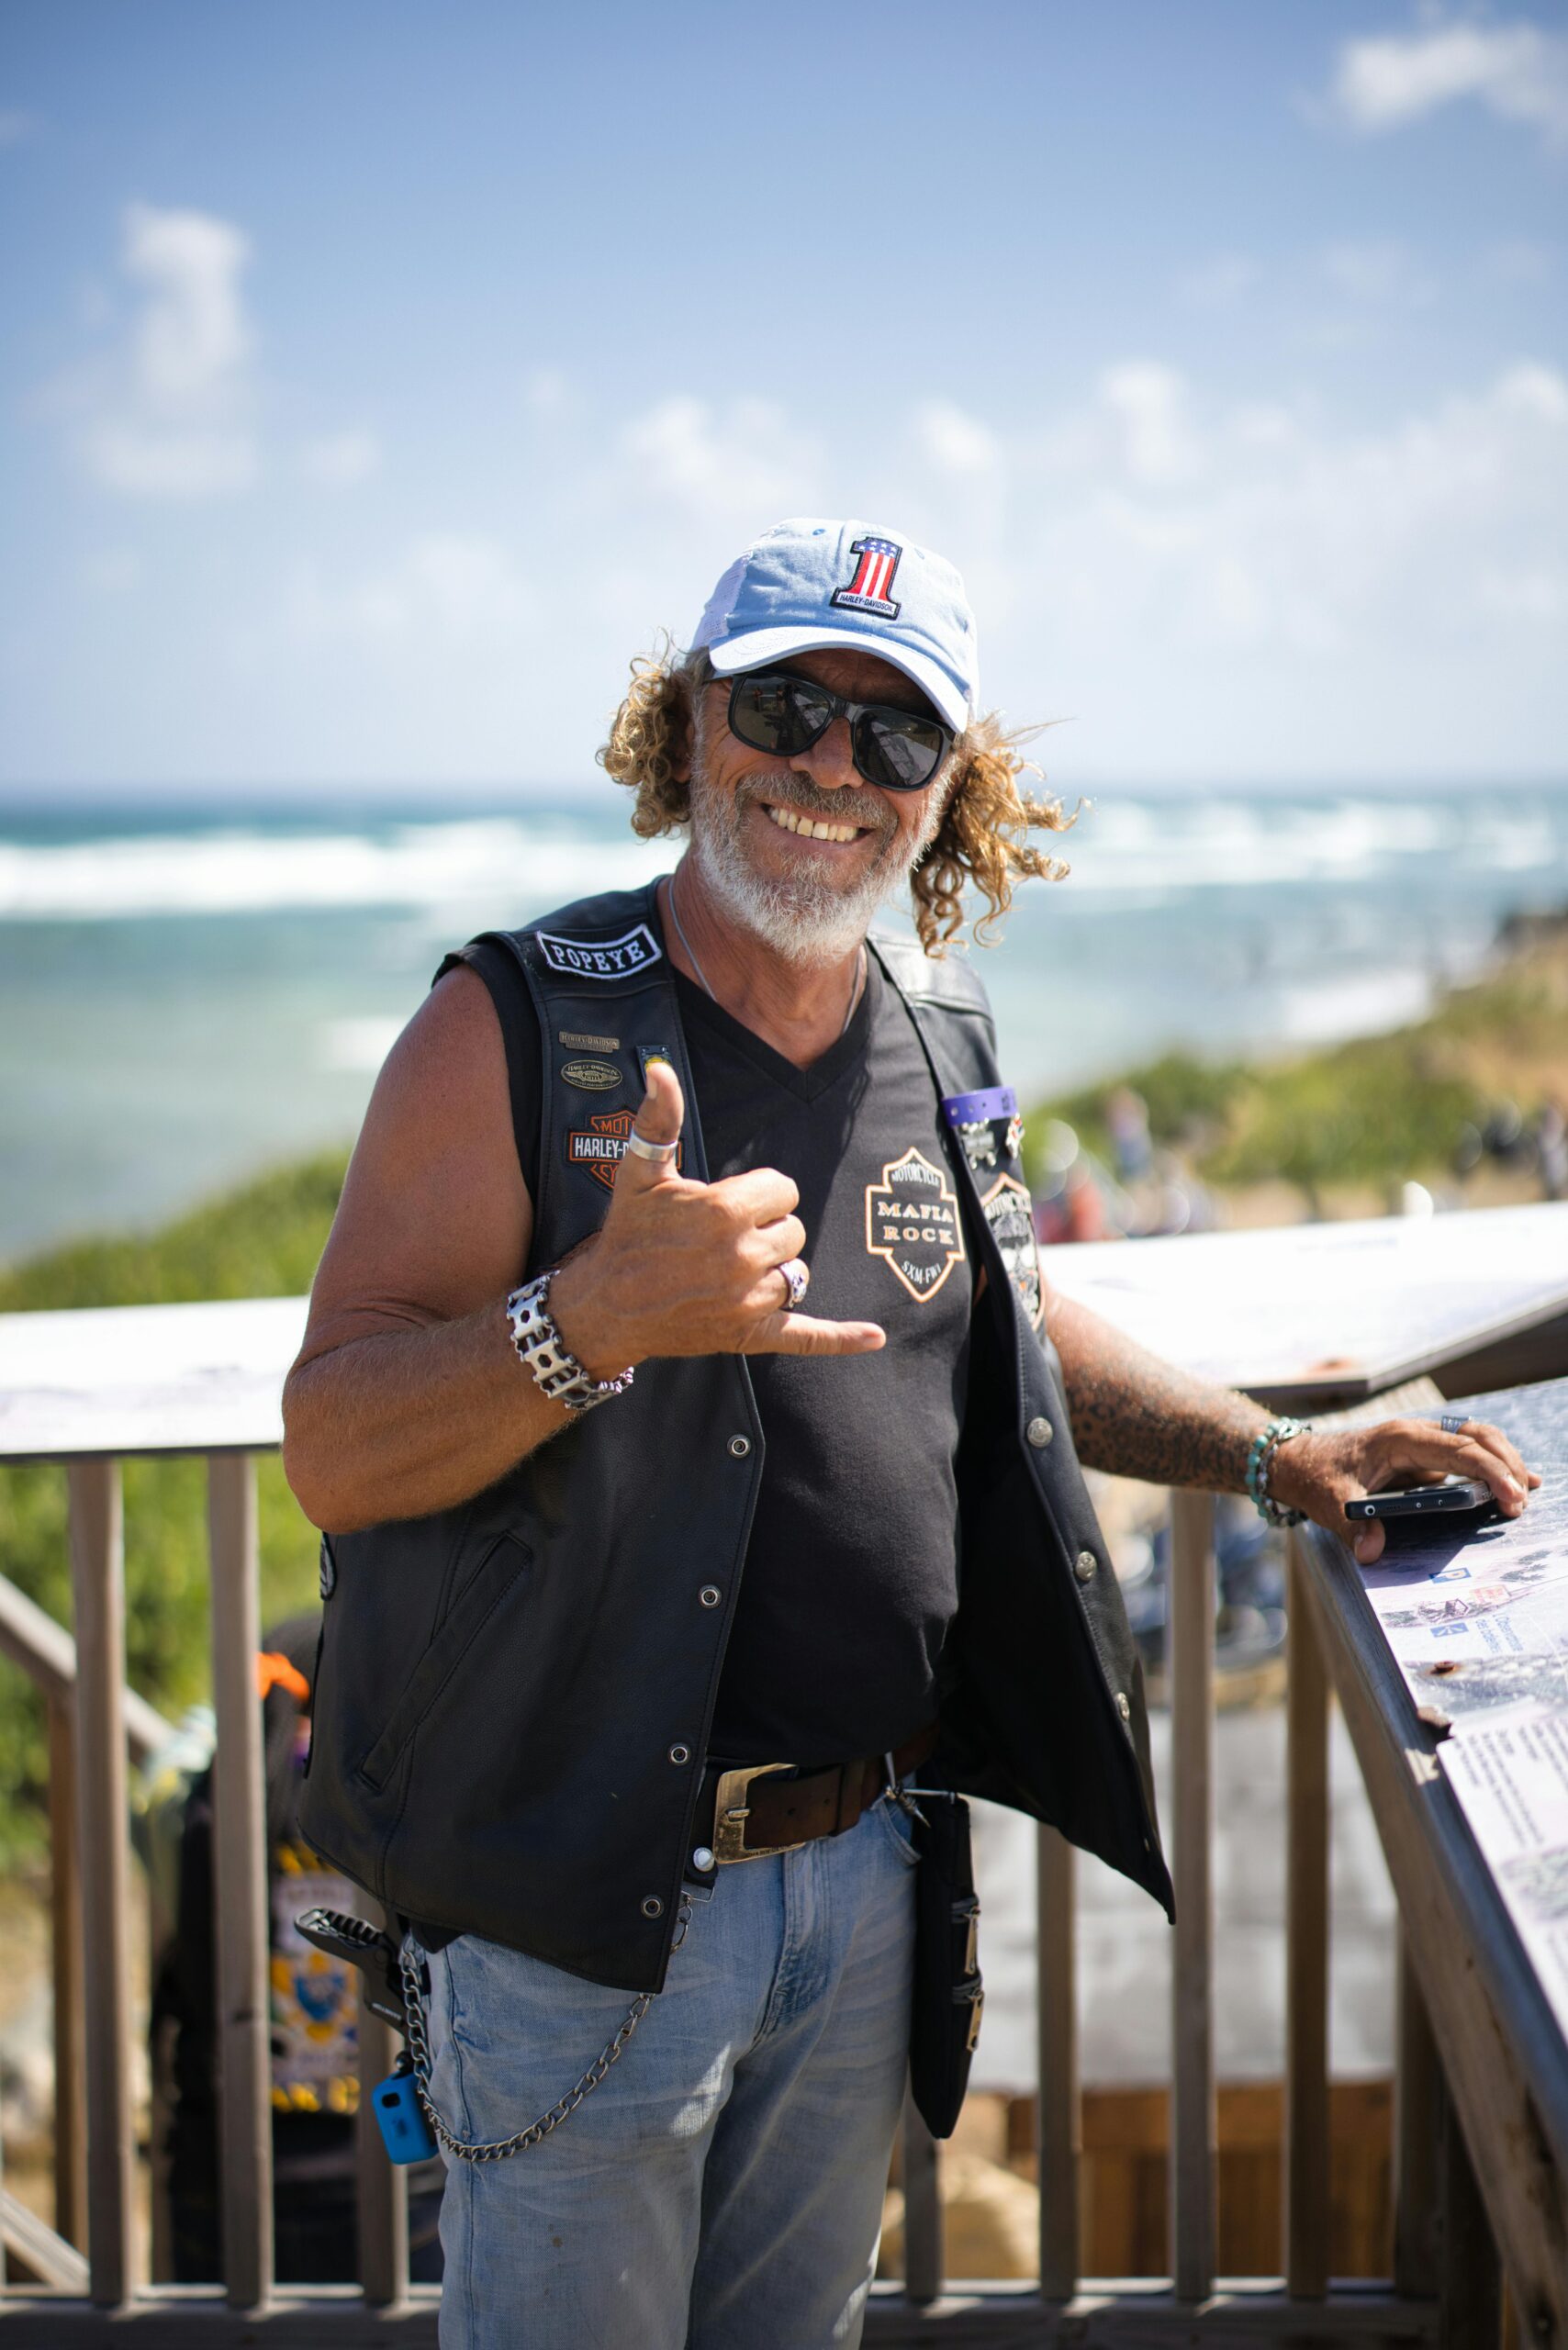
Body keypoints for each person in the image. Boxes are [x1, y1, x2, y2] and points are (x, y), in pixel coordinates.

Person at [281, 517, 1538, 2350]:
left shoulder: (939, 1035)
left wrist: (1280, 1454)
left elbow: (1006, 1327)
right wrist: (585, 1323)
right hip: (573, 1917)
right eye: (785, 704)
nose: (829, 769)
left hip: (867, 1882)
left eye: (893, 736)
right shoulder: (514, 1027)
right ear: (693, 726)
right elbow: (331, 1436)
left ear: (948, 789)